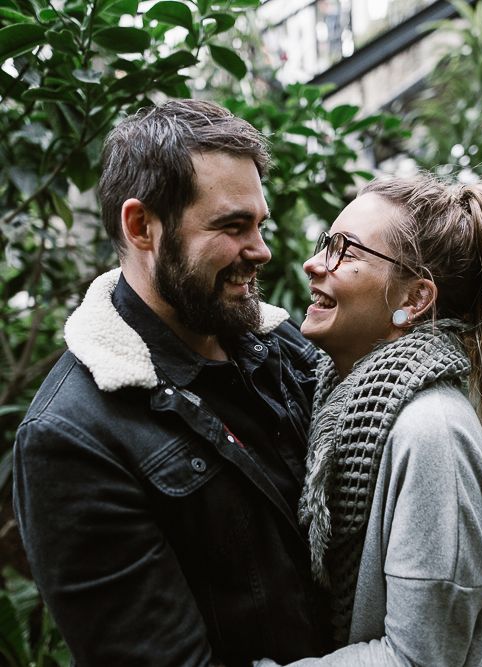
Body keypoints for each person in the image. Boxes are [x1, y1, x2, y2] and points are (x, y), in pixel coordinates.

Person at [12, 99, 328, 666]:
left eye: (260, 224)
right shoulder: (72, 438)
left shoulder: (280, 344)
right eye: (232, 227)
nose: (262, 251)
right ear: (142, 226)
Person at [258, 173, 482, 666]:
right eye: (324, 244)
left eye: (345, 251)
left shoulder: (431, 431)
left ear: (414, 300)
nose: (314, 263)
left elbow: (420, 658)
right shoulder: (336, 402)